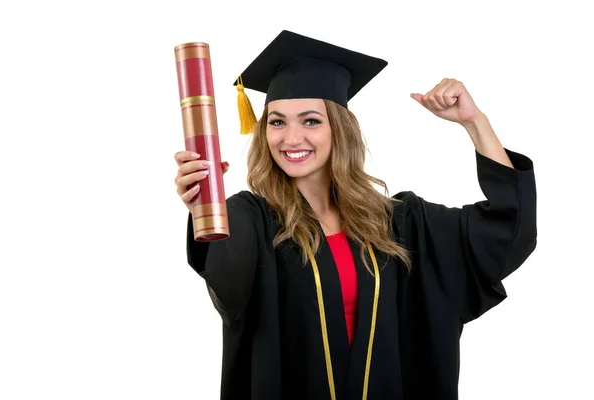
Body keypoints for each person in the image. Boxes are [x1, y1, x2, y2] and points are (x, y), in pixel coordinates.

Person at [174, 30, 537, 400]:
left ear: (339, 129)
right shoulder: (253, 219)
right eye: (277, 121)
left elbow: (507, 229)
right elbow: (227, 275)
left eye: (311, 121)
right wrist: (204, 206)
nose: (291, 137)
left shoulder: (398, 222)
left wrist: (475, 122)